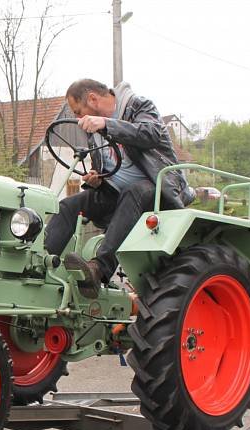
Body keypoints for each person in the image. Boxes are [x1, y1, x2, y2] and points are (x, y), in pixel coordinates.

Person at [44, 79, 195, 297]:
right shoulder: (91, 127)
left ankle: (98, 269)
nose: (78, 119)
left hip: (159, 187)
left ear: (93, 99)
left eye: (78, 112)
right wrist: (96, 178)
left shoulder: (138, 106)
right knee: (69, 205)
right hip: (117, 193)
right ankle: (41, 265)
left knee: (133, 191)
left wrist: (107, 124)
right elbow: (107, 165)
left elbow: (150, 134)